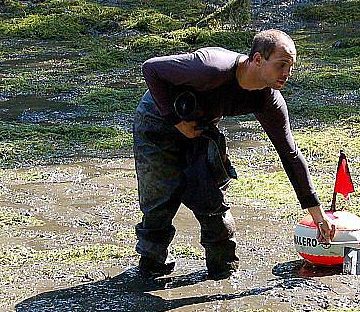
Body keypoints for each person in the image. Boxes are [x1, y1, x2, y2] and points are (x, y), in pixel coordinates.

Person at [133, 29, 336, 279]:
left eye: (291, 67)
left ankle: (223, 271)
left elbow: (290, 154)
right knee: (159, 200)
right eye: (281, 65)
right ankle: (152, 265)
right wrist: (176, 121)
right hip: (157, 121)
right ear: (258, 59)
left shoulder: (268, 99)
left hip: (200, 130)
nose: (286, 74)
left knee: (212, 201)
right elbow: (151, 69)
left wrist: (317, 214)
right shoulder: (211, 68)